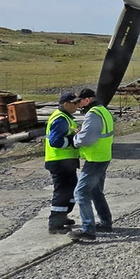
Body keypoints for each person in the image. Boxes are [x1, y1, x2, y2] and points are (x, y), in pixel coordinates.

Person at [68, 88, 115, 242]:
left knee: (80, 193)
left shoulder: (93, 114)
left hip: (95, 159)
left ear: (87, 100)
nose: (78, 105)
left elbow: (87, 139)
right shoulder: (103, 110)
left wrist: (75, 140)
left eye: (79, 101)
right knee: (96, 191)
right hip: (103, 156)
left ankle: (88, 230)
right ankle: (106, 222)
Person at [45, 91, 80, 234]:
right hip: (59, 162)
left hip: (66, 162)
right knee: (62, 192)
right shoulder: (60, 119)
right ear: (66, 104)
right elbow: (56, 142)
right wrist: (73, 141)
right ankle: (55, 224)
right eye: (74, 103)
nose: (77, 105)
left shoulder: (66, 117)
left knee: (70, 189)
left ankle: (63, 216)